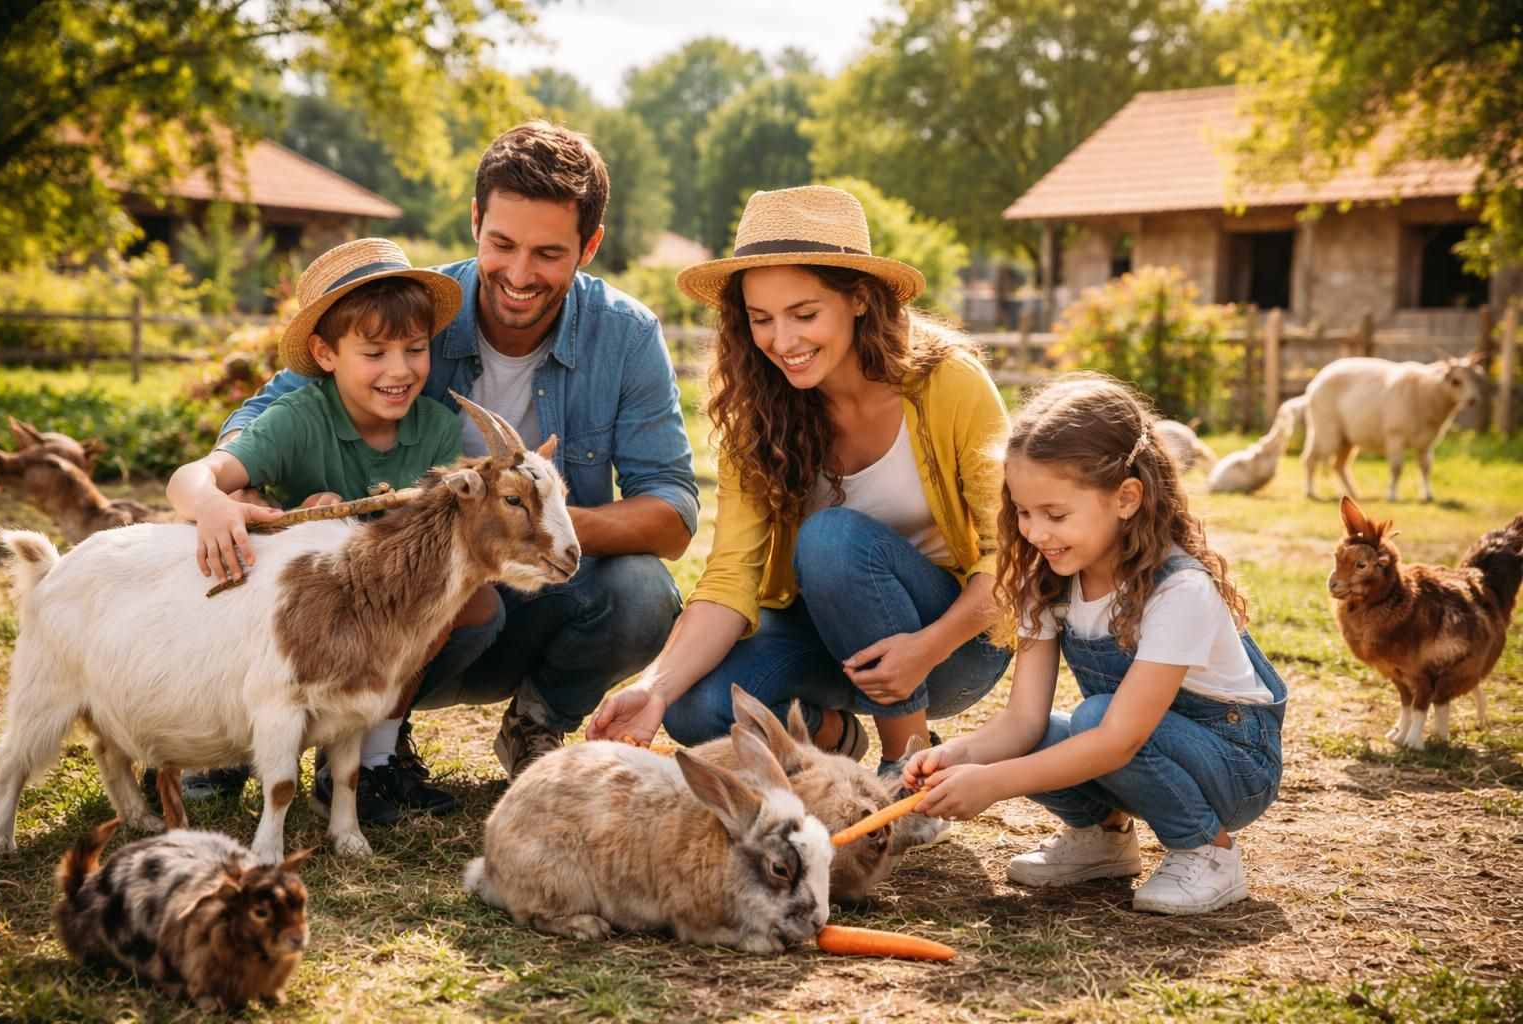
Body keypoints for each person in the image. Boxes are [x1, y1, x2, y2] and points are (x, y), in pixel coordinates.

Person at [190, 120, 698, 803]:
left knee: (643, 594)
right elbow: (262, 416)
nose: (520, 275)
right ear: (475, 221)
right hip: (395, 607)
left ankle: (535, 724)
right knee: (451, 587)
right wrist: (222, 489)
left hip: (533, 596)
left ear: (590, 245)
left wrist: (522, 523)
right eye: (502, 244)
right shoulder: (408, 312)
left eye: (549, 253)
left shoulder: (627, 335)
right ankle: (365, 741)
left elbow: (673, 515)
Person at [588, 185, 1011, 775]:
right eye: (761, 320)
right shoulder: (756, 408)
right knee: (695, 708)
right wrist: (653, 687)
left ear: (860, 299)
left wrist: (928, 647)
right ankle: (834, 738)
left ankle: (909, 764)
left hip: (953, 645)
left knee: (832, 539)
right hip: (829, 637)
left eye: (804, 314)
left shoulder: (949, 384)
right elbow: (732, 573)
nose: (782, 343)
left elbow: (1010, 554)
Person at [903, 374, 1288, 915]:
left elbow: (1116, 741)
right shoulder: (1050, 581)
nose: (1035, 532)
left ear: (1126, 498)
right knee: (1044, 735)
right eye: (1024, 511)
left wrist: (991, 784)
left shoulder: (1179, 590)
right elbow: (1022, 723)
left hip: (1234, 766)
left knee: (1093, 721)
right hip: (1132, 741)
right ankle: (1103, 838)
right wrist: (955, 757)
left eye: (1055, 515)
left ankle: (1209, 852)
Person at [168, 236, 486, 824]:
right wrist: (212, 502)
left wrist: (351, 529)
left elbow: (431, 545)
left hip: (372, 607)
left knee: (472, 603)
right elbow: (192, 477)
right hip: (282, 616)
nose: (400, 370)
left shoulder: (440, 429)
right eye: (374, 353)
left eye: (415, 349)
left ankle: (369, 755)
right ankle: (227, 746)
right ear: (326, 351)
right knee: (237, 570)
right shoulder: (298, 418)